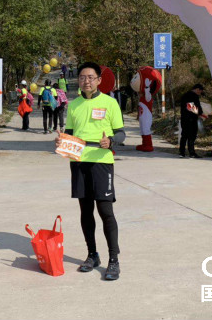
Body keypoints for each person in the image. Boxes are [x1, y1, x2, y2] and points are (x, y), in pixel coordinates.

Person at [55, 62, 126, 281]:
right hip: (78, 162)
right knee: (85, 212)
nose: (86, 80)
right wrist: (61, 140)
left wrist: (111, 141)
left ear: (98, 80)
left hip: (101, 163)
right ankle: (92, 254)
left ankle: (113, 260)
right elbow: (69, 133)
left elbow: (121, 134)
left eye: (90, 77)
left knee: (105, 212)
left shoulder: (110, 103)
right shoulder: (74, 105)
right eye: (83, 77)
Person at [179, 83, 205, 158]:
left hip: (184, 118)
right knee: (192, 136)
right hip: (191, 119)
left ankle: (182, 152)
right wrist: (200, 112)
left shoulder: (185, 95)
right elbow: (191, 107)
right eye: (200, 91)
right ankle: (192, 153)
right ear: (197, 89)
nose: (200, 93)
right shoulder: (193, 96)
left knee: (184, 135)